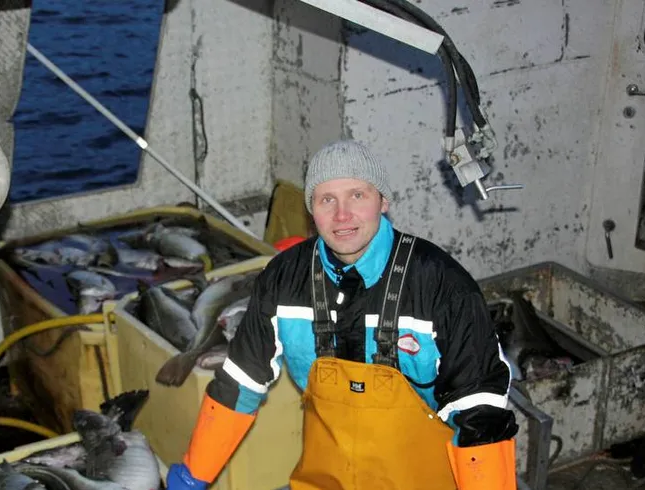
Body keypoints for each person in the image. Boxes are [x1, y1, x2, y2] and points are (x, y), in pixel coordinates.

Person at [166, 140, 519, 490]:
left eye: (357, 195)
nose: (342, 215)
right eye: (326, 200)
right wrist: (192, 475)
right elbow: (239, 383)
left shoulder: (444, 286)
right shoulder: (283, 278)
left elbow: (481, 413)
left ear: (384, 201)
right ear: (311, 210)